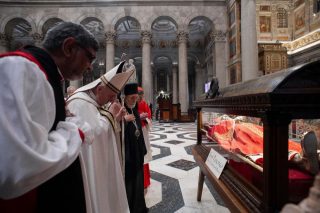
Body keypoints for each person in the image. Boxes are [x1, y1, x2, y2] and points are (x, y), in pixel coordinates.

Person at [0, 21, 98, 213]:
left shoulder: (45, 73)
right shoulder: (18, 69)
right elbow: (16, 167)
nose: (90, 68)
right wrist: (74, 132)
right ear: (69, 47)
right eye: (90, 58)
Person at [67, 61, 134, 213]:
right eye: (110, 96)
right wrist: (111, 115)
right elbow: (91, 139)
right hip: (86, 174)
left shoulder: (92, 103)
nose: (112, 101)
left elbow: (100, 129)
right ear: (99, 89)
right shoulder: (79, 104)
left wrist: (115, 119)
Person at [123, 83, 148, 213]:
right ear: (126, 97)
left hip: (137, 152)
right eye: (132, 98)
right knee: (130, 183)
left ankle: (139, 207)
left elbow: (139, 131)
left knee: (139, 181)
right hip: (128, 153)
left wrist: (143, 149)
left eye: (136, 98)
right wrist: (123, 120)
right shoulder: (122, 111)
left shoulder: (135, 109)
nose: (134, 100)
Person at [137, 87, 152, 190]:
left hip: (143, 129)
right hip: (135, 130)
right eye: (139, 94)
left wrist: (145, 117)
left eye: (141, 94)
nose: (140, 96)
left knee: (144, 153)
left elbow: (149, 115)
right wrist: (139, 116)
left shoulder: (144, 103)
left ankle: (145, 179)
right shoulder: (131, 103)